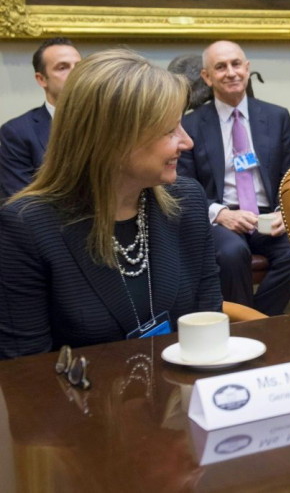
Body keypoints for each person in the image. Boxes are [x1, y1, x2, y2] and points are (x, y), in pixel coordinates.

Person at [0, 49, 222, 359]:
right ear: (112, 139)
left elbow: (207, 320)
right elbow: (25, 371)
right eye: (170, 129)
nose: (187, 142)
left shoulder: (186, 200)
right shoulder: (25, 228)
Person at [178, 40, 290, 316]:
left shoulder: (276, 116)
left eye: (236, 64)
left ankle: (255, 320)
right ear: (207, 77)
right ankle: (246, 326)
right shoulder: (191, 124)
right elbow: (183, 185)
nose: (231, 72)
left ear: (247, 69)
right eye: (220, 67)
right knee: (232, 254)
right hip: (222, 218)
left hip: (269, 216)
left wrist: (285, 211)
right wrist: (220, 214)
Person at [0, 37, 81, 199]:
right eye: (62, 67)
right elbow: (20, 202)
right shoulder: (17, 132)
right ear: (41, 79)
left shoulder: (109, 122)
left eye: (79, 67)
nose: (75, 73)